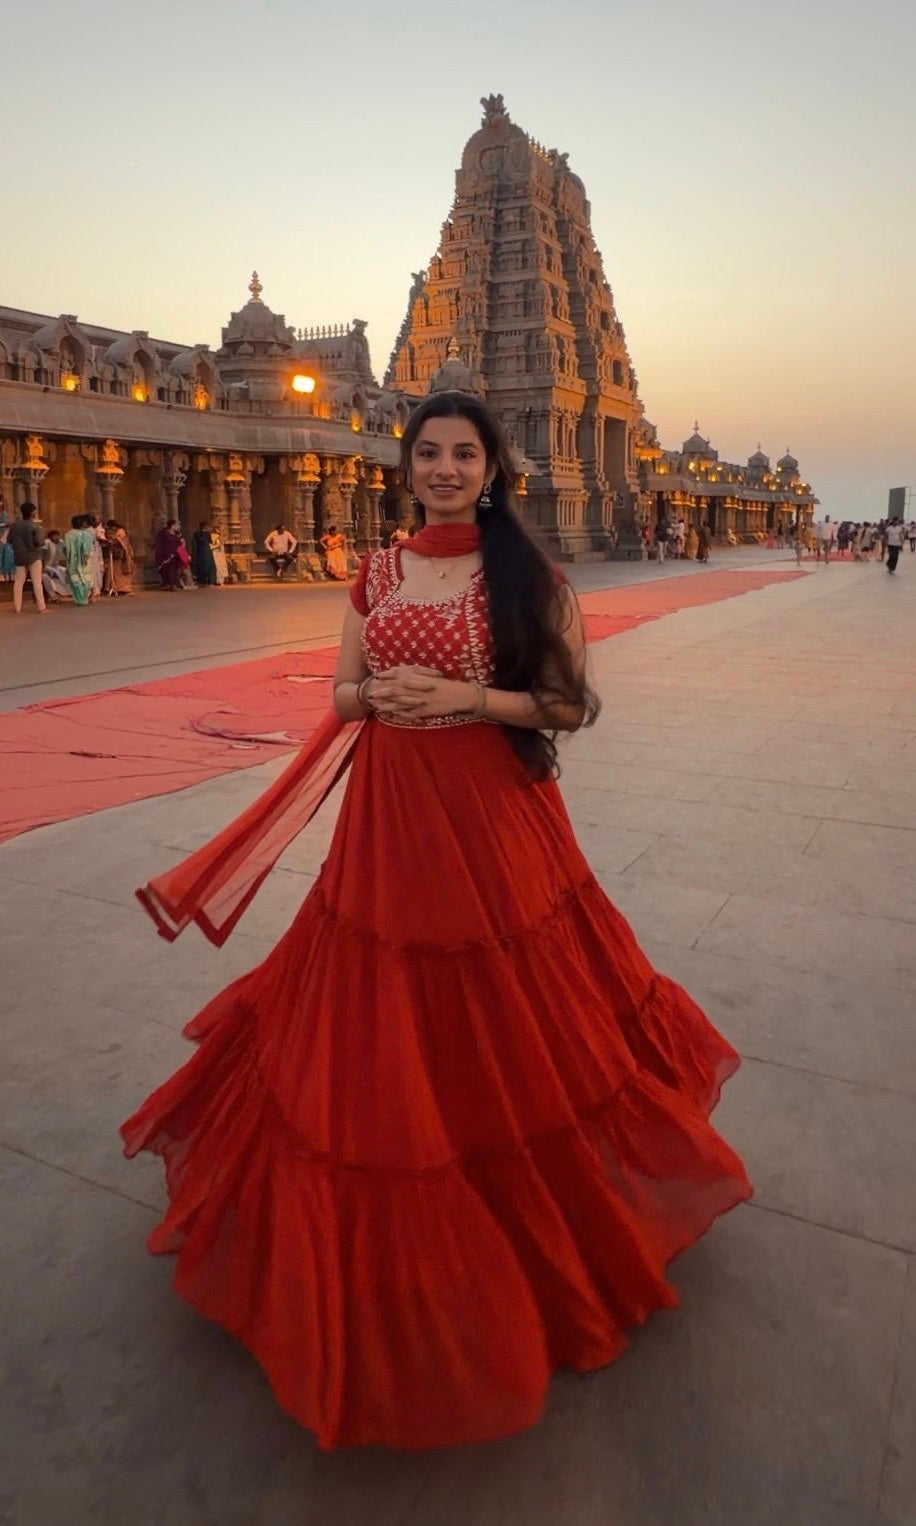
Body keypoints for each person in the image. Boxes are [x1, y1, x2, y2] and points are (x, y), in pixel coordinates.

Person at [121, 390, 750, 1453]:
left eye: (464, 454)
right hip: (392, 813)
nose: (445, 468)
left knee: (509, 1000)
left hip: (493, 816)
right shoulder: (376, 572)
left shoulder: (530, 579)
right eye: (429, 453)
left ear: (492, 470)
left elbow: (567, 704)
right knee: (382, 994)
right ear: (407, 467)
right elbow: (341, 689)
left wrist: (468, 700)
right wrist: (379, 697)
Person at [7, 502, 47, 613]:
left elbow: (9, 540)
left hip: (19, 556)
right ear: (33, 513)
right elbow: (39, 542)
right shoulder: (35, 526)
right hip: (33, 556)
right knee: (37, 582)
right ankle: (41, 607)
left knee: (18, 582)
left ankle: (17, 607)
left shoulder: (15, 526)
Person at [62, 514, 95, 606]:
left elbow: (65, 548)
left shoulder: (68, 535)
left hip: (72, 561)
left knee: (75, 579)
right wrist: (86, 556)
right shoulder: (86, 535)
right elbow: (88, 549)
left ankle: (79, 598)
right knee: (85, 578)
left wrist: (68, 557)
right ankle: (84, 597)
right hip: (84, 560)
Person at [104, 520, 135, 595]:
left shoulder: (121, 531)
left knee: (121, 572)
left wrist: (113, 539)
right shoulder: (117, 531)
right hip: (115, 555)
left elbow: (120, 541)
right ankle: (115, 588)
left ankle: (123, 589)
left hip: (122, 555)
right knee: (114, 572)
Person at [42, 528, 72, 602]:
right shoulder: (47, 543)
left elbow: (67, 552)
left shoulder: (61, 542)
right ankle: (53, 595)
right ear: (50, 537)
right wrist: (43, 568)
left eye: (58, 536)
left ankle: (67, 593)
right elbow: (41, 556)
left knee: (67, 573)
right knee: (45, 577)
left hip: (56, 566)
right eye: (54, 536)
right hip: (46, 566)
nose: (57, 538)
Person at [154, 520, 183, 590]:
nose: (178, 527)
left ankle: (172, 584)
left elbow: (179, 544)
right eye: (176, 525)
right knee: (167, 570)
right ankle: (167, 584)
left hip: (174, 555)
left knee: (174, 570)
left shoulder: (176, 535)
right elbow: (160, 544)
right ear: (172, 526)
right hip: (166, 556)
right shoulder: (164, 534)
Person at [191, 521, 219, 586]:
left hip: (199, 552)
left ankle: (201, 581)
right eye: (208, 527)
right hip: (207, 551)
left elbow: (194, 544)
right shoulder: (207, 534)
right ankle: (211, 581)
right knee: (210, 566)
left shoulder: (196, 534)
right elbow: (210, 542)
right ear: (205, 527)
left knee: (201, 566)